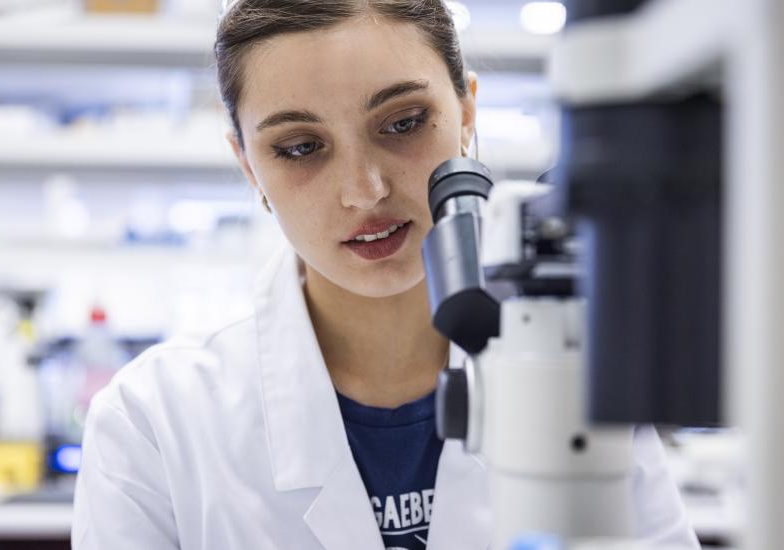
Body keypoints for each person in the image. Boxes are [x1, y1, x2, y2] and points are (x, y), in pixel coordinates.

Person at [71, 1, 701, 549]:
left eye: (402, 124)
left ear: (466, 111)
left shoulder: (580, 369)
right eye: (299, 147)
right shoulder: (152, 422)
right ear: (248, 165)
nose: (364, 191)